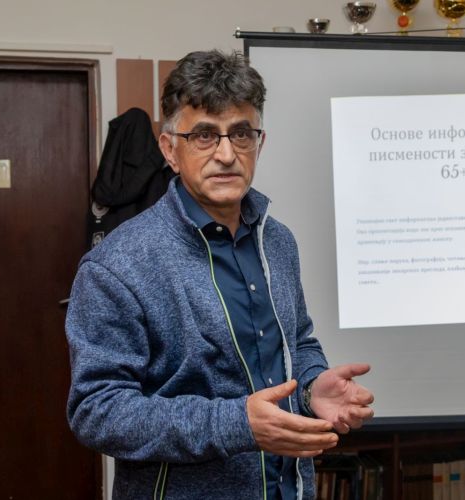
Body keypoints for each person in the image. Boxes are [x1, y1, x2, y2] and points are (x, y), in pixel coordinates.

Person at [65, 50, 374, 500]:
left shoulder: (278, 240)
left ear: (259, 143)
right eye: (205, 135)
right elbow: (98, 411)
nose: (227, 154)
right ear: (170, 149)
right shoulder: (117, 264)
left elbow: (298, 341)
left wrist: (311, 388)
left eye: (241, 133)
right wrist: (237, 424)